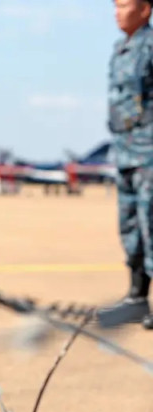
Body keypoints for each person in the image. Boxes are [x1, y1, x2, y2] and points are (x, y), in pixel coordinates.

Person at [97, 0, 153, 328]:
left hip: (149, 152)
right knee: (130, 225)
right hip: (125, 152)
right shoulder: (121, 48)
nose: (116, 12)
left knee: (152, 225)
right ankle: (136, 299)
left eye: (123, 5)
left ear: (145, 10)